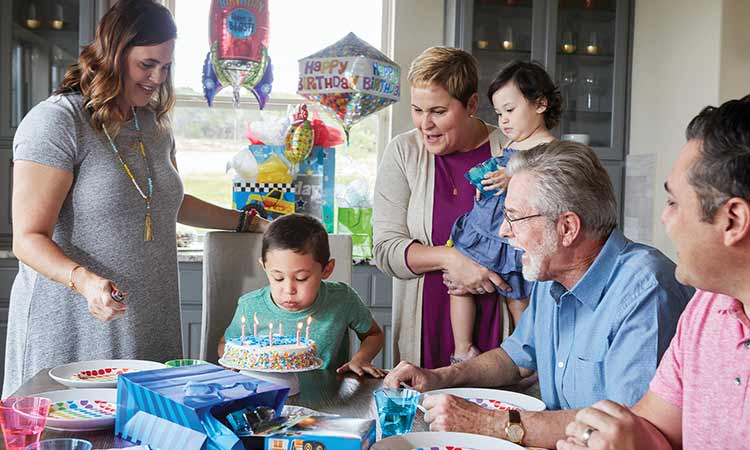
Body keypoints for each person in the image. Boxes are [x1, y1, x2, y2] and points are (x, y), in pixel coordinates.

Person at [2, 0, 268, 397]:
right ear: (113, 54)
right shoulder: (58, 122)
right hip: (75, 320)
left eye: (166, 66)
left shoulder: (153, 125)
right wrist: (85, 282)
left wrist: (249, 222)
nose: (157, 78)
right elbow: (28, 238)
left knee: (150, 431)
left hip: (148, 318)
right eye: (147, 64)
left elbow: (164, 201)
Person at [384, 141, 694, 449]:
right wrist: (439, 378)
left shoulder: (646, 290)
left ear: (567, 228)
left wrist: (484, 422)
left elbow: (622, 428)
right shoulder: (551, 273)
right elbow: (515, 359)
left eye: (514, 217)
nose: (503, 231)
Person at [558, 96, 750, 450]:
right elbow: (648, 430)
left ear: (733, 220)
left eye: (674, 203)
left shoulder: (647, 281)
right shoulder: (707, 308)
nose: (665, 220)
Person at [374, 46, 515, 369]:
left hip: (499, 324)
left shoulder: (510, 150)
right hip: (424, 331)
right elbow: (386, 249)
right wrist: (453, 259)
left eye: (438, 111)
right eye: (417, 110)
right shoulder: (403, 153)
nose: (426, 124)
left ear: (471, 105)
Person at [449, 60, 560, 362]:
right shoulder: (514, 140)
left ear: (540, 104)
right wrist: (485, 180)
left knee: (518, 296)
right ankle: (462, 349)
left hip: (514, 232)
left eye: (510, 111)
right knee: (459, 287)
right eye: (499, 113)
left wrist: (512, 177)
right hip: (486, 225)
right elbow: (499, 167)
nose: (504, 120)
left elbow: (543, 180)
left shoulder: (547, 146)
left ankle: (525, 354)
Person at [218, 214, 386, 377]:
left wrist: (361, 359)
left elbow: (373, 334)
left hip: (325, 396)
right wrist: (234, 363)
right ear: (264, 266)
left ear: (326, 270)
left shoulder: (342, 299)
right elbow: (225, 344)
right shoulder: (250, 306)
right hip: (266, 393)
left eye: (301, 278)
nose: (289, 289)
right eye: (278, 278)